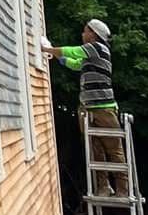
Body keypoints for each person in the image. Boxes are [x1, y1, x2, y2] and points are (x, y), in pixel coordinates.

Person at [49, 18, 126, 195]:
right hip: (89, 109)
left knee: (114, 150)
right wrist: (60, 58)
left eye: (85, 31)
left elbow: (74, 52)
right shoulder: (90, 55)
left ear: (93, 34)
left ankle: (123, 189)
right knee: (95, 150)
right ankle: (104, 187)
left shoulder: (98, 48)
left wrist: (48, 49)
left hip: (104, 108)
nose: (83, 34)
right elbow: (76, 63)